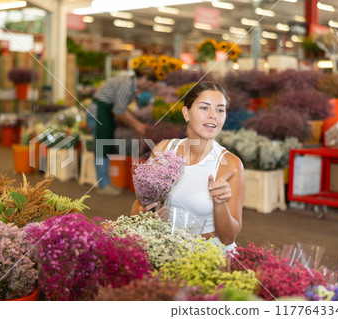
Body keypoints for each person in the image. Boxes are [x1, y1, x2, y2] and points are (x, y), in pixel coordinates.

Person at [130, 81, 245, 250]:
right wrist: (143, 217)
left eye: (220, 110)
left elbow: (228, 238)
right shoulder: (164, 149)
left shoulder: (230, 165)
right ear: (186, 113)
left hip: (209, 257)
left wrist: (220, 204)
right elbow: (139, 205)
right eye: (204, 108)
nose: (213, 115)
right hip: (165, 250)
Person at [86, 67, 158, 196]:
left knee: (105, 148)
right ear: (144, 78)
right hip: (98, 114)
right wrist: (136, 125)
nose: (149, 88)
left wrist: (136, 123)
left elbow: (122, 109)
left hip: (104, 115)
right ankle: (103, 185)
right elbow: (119, 111)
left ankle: (105, 183)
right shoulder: (127, 85)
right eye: (150, 84)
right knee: (101, 149)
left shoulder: (130, 84)